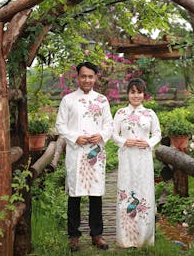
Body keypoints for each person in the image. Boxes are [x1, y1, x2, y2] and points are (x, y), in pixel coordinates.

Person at [55, 61, 113, 252]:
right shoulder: (68, 100)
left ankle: (97, 234)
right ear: (78, 77)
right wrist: (75, 137)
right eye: (83, 76)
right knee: (75, 195)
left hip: (95, 154)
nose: (87, 80)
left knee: (96, 194)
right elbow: (60, 125)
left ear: (95, 77)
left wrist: (102, 135)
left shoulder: (102, 100)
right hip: (76, 153)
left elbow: (109, 125)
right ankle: (74, 236)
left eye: (90, 76)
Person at [112, 78, 161, 248]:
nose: (136, 95)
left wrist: (148, 143)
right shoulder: (120, 113)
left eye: (139, 92)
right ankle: (127, 238)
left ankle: (144, 238)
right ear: (128, 94)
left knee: (144, 192)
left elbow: (157, 134)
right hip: (126, 159)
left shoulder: (150, 114)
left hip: (144, 159)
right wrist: (125, 142)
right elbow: (113, 134)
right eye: (132, 92)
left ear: (143, 94)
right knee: (126, 191)